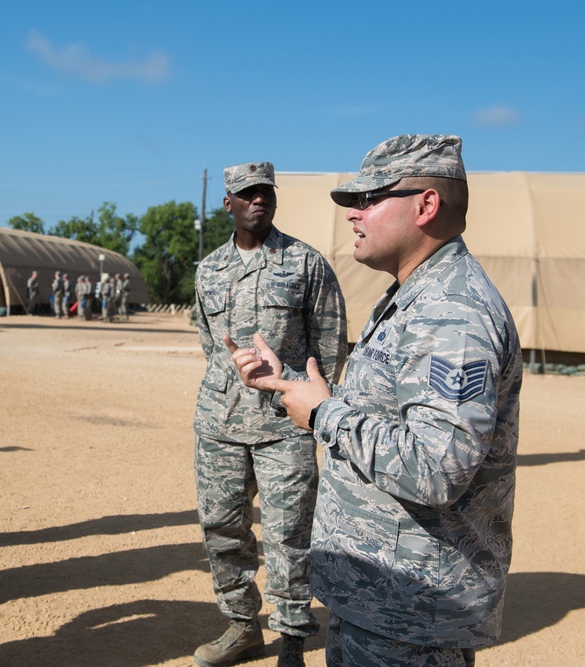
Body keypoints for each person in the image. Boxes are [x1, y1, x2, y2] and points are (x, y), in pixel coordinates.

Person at [229, 135, 522, 667]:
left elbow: (436, 467)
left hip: (414, 612)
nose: (353, 214)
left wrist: (323, 413)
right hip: (383, 596)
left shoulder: (453, 313)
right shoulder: (417, 293)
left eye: (369, 199)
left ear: (426, 205)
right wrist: (291, 381)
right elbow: (388, 412)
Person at [193, 162, 347, 667]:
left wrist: (311, 404)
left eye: (266, 192)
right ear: (228, 204)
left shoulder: (305, 263)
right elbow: (210, 345)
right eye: (247, 193)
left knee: (289, 535)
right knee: (222, 528)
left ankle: (293, 642)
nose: (259, 200)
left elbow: (327, 347)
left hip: (286, 426)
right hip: (219, 423)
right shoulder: (209, 268)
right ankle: (241, 627)